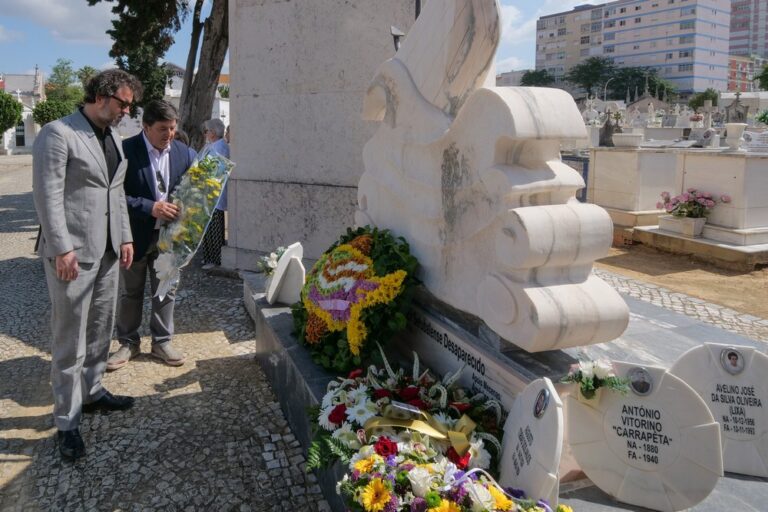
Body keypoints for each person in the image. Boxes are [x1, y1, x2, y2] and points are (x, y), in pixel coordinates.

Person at [32, 69, 143, 460]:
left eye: (130, 105)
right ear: (100, 96)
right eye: (123, 104)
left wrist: (126, 236)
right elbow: (47, 195)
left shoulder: (112, 136)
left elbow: (116, 193)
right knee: (69, 339)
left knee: (99, 329)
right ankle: (66, 420)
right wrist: (62, 248)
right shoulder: (58, 133)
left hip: (109, 250)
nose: (127, 112)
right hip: (73, 255)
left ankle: (93, 392)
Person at [107, 100, 194, 371]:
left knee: (165, 291)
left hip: (170, 238)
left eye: (172, 127)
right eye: (162, 129)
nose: (169, 134)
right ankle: (128, 343)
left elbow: (194, 192)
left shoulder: (184, 152)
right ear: (146, 127)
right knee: (130, 292)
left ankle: (162, 342)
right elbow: (114, 194)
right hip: (134, 235)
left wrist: (188, 209)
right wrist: (150, 207)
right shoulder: (125, 150)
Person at [200, 118, 230, 269]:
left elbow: (215, 168)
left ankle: (215, 259)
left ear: (213, 132)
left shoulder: (220, 147)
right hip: (208, 193)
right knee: (208, 227)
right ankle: (208, 257)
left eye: (207, 131)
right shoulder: (213, 146)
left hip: (214, 194)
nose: (205, 134)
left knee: (214, 227)